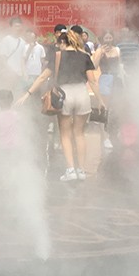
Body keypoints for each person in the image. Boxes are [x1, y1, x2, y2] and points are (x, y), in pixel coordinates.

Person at [17, 29, 105, 181]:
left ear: (64, 42)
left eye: (59, 44)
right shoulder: (85, 55)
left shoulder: (58, 56)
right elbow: (92, 81)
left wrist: (28, 93)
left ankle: (70, 170)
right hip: (82, 94)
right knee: (79, 134)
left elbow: (43, 77)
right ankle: (81, 170)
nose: (58, 47)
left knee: (65, 134)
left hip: (65, 95)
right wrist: (100, 100)